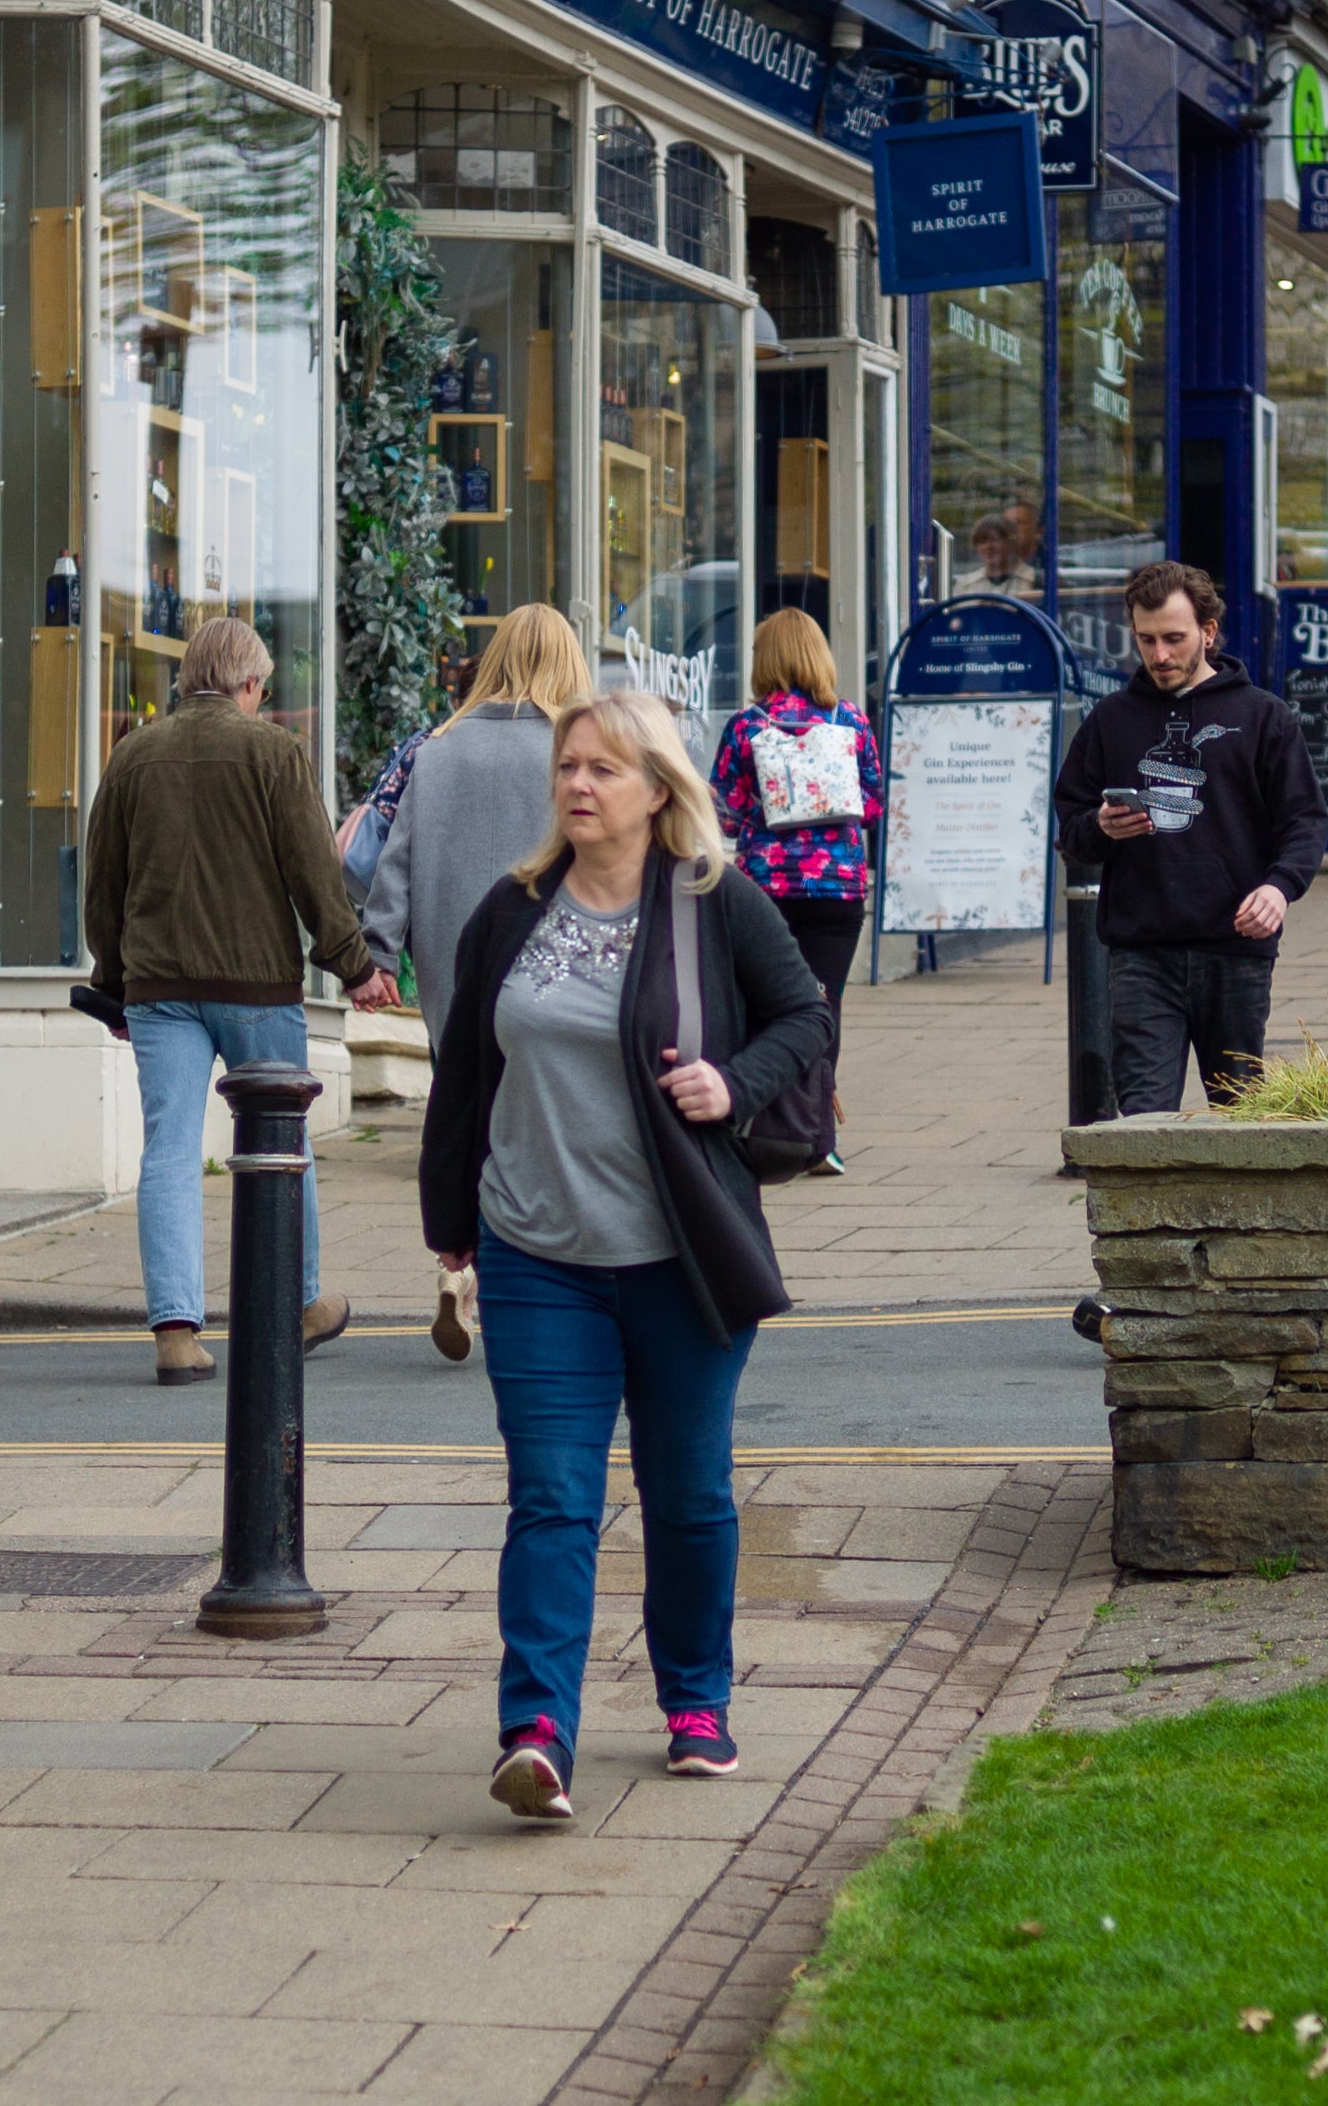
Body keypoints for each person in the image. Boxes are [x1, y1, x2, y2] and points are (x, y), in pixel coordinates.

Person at [418, 692, 833, 1821]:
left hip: (679, 1256)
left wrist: (731, 1084)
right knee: (551, 1497)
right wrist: (447, 1218)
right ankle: (537, 1730)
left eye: (605, 768)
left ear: (659, 789)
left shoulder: (715, 904)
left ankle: (696, 1701)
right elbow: (465, 1071)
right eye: (569, 766)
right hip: (535, 1252)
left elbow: (805, 1017)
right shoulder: (509, 913)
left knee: (687, 1495)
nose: (580, 785)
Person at [83, 617, 395, 1388]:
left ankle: (177, 1332)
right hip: (256, 985)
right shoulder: (273, 752)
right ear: (250, 684)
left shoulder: (131, 756)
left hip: (159, 988)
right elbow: (312, 873)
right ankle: (303, 1303)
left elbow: (103, 885)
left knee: (168, 1150)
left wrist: (113, 981)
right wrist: (353, 966)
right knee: (283, 1144)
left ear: (189, 678)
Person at [363, 604, 593, 1361]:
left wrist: (376, 950)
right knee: (533, 1123)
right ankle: (507, 1275)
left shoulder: (437, 750)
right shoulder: (571, 752)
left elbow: (392, 862)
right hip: (545, 961)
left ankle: (460, 1266)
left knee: (465, 1111)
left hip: (448, 967)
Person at [1051, 561, 1328, 1113]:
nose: (1159, 656)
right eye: (1146, 640)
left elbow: (1304, 819)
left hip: (1235, 948)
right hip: (1140, 951)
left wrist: (1278, 889)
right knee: (1143, 1116)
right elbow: (1072, 829)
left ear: (1208, 631)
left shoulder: (1264, 717)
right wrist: (1101, 828)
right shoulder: (1110, 721)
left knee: (1241, 1115)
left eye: (1174, 639)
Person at [708, 608, 885, 1173]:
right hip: (839, 890)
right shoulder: (850, 720)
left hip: (766, 889)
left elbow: (724, 813)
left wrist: (767, 814)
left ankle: (766, 1125)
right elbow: (874, 804)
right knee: (822, 1005)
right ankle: (817, 1136)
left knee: (767, 1003)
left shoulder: (746, 725)